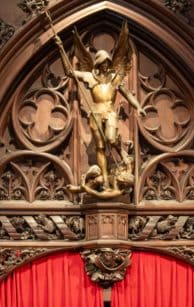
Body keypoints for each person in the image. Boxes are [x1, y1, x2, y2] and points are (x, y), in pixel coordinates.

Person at [59, 24, 145, 194]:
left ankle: (123, 159)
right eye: (102, 63)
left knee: (111, 140)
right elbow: (70, 72)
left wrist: (138, 106)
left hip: (110, 113)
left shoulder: (114, 78)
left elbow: (127, 94)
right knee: (99, 147)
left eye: (107, 63)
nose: (105, 66)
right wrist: (61, 48)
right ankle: (105, 180)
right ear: (98, 64)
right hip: (95, 114)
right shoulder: (90, 76)